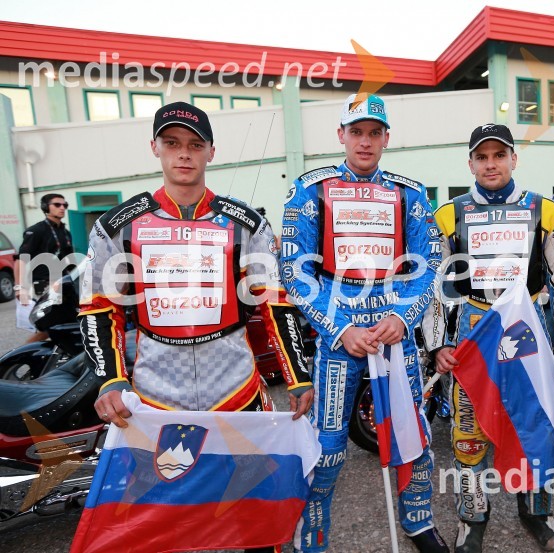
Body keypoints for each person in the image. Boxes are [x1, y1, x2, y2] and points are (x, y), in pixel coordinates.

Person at [81, 101, 313, 553]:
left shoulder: (246, 223)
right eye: (172, 143)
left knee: (255, 515)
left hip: (236, 393)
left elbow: (274, 302)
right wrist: (111, 379)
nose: (183, 153)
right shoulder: (117, 225)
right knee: (158, 521)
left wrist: (297, 374)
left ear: (211, 151)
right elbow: (99, 306)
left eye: (194, 144)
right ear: (155, 148)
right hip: (155, 401)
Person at [280, 93, 449, 553]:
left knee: (413, 436)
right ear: (341, 135)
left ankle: (418, 521)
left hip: (395, 336)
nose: (365, 141)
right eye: (356, 132)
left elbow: (429, 263)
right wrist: (340, 329)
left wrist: (402, 316)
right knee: (328, 446)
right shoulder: (311, 189)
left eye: (375, 132)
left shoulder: (409, 192)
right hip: (340, 340)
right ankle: (312, 533)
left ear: (386, 138)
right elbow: (294, 269)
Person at [422, 123, 554, 553]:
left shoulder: (546, 211)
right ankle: (472, 517)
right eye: (482, 157)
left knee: (533, 422)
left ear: (513, 159)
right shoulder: (448, 215)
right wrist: (438, 344)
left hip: (528, 326)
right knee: (469, 431)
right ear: (470, 163)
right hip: (474, 327)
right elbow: (434, 286)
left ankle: (536, 512)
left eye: (499, 155)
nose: (491, 164)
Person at [14, 193, 75, 342]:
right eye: (57, 205)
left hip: (63, 284)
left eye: (65, 205)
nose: (62, 208)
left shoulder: (65, 232)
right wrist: (20, 288)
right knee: (48, 327)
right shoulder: (36, 231)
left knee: (69, 323)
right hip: (45, 285)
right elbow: (21, 259)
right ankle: (25, 353)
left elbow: (69, 262)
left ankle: (62, 353)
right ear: (45, 207)